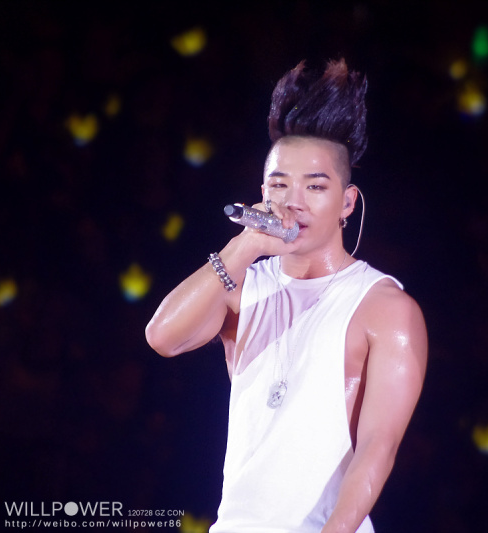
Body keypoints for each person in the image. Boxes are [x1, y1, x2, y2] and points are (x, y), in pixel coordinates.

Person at [145, 59, 428, 533]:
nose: (294, 200)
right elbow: (162, 337)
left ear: (347, 202)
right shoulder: (243, 287)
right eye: (280, 184)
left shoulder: (384, 308)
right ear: (262, 192)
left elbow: (379, 444)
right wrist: (244, 246)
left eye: (315, 186)